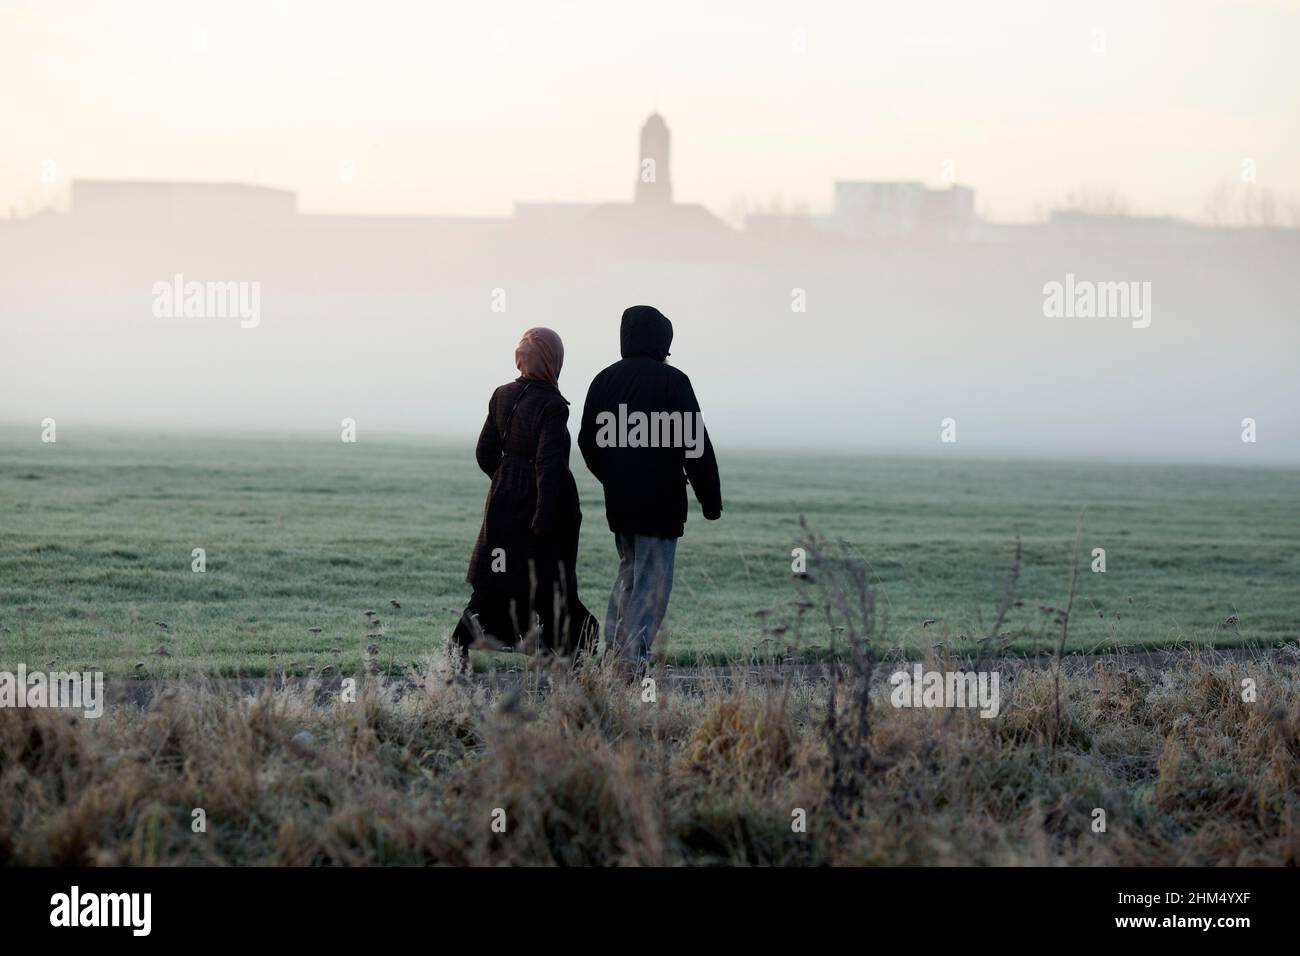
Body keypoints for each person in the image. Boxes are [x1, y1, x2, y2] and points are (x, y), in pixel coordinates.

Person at [578, 305, 722, 673]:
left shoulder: (603, 380)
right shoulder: (674, 382)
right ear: (662, 342)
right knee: (652, 584)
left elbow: (587, 442)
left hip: (621, 503)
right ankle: (632, 662)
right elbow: (695, 445)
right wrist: (710, 500)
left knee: (627, 574)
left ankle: (613, 658)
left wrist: (612, 477)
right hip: (661, 503)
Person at [451, 328, 598, 669]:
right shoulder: (553, 405)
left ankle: (459, 647)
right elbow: (549, 464)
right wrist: (544, 515)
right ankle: (572, 658)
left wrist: (507, 479)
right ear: (553, 359)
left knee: (496, 577)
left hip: (502, 501)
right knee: (549, 584)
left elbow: (484, 452)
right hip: (542, 507)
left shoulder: (501, 394)